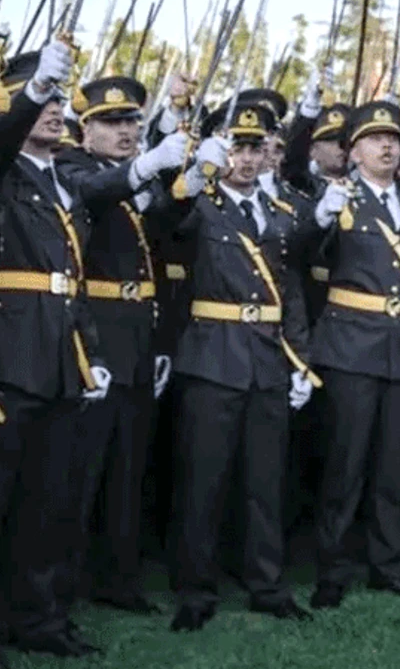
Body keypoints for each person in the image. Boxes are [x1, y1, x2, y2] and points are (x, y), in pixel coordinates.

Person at [0, 42, 183, 662]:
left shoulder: (62, 175)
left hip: (63, 357)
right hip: (11, 359)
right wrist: (33, 90)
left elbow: (71, 279)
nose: (48, 111)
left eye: (50, 100)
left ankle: (39, 619)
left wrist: (89, 352)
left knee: (49, 504)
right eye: (31, 100)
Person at [166, 102, 317, 632]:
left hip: (267, 360)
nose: (247, 158)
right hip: (212, 355)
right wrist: (189, 172)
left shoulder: (279, 217)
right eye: (237, 147)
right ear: (219, 150)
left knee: (264, 481)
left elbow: (290, 291)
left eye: (256, 148)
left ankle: (267, 585)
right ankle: (194, 590)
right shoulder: (198, 206)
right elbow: (164, 224)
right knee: (204, 480)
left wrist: (300, 359)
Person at [307, 101, 400, 608]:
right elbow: (303, 256)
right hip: (351, 345)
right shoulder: (338, 200)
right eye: (374, 139)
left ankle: (385, 564)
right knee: (345, 467)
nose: (388, 146)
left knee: (393, 467)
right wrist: (320, 217)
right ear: (353, 151)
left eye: (393, 138)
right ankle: (332, 568)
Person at [61, 75, 176, 616]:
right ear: (85, 131)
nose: (126, 130)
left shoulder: (136, 177)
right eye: (111, 122)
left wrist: (184, 174)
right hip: (96, 330)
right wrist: (147, 167)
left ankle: (118, 577)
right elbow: (98, 195)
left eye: (131, 121)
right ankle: (63, 582)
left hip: (137, 330)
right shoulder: (74, 168)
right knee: (81, 469)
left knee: (129, 469)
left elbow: (168, 242)